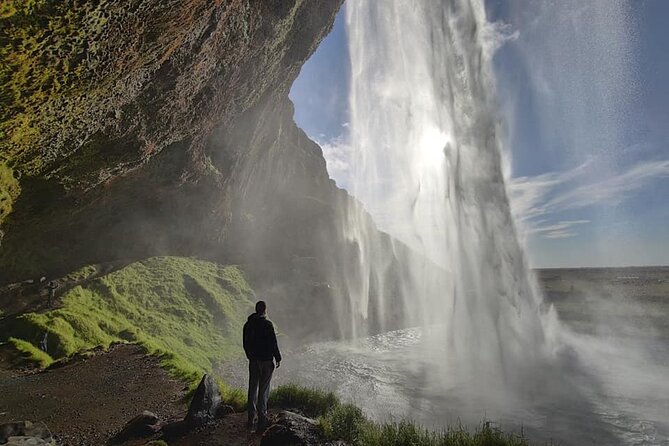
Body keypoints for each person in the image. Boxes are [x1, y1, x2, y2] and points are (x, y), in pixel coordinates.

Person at [243, 300, 281, 431]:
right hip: (266, 361)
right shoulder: (268, 324)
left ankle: (250, 417)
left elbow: (245, 343)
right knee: (263, 390)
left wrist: (250, 356)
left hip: (254, 361)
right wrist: (278, 357)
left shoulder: (248, 324)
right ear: (265, 310)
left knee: (252, 388)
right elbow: (273, 343)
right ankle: (262, 420)